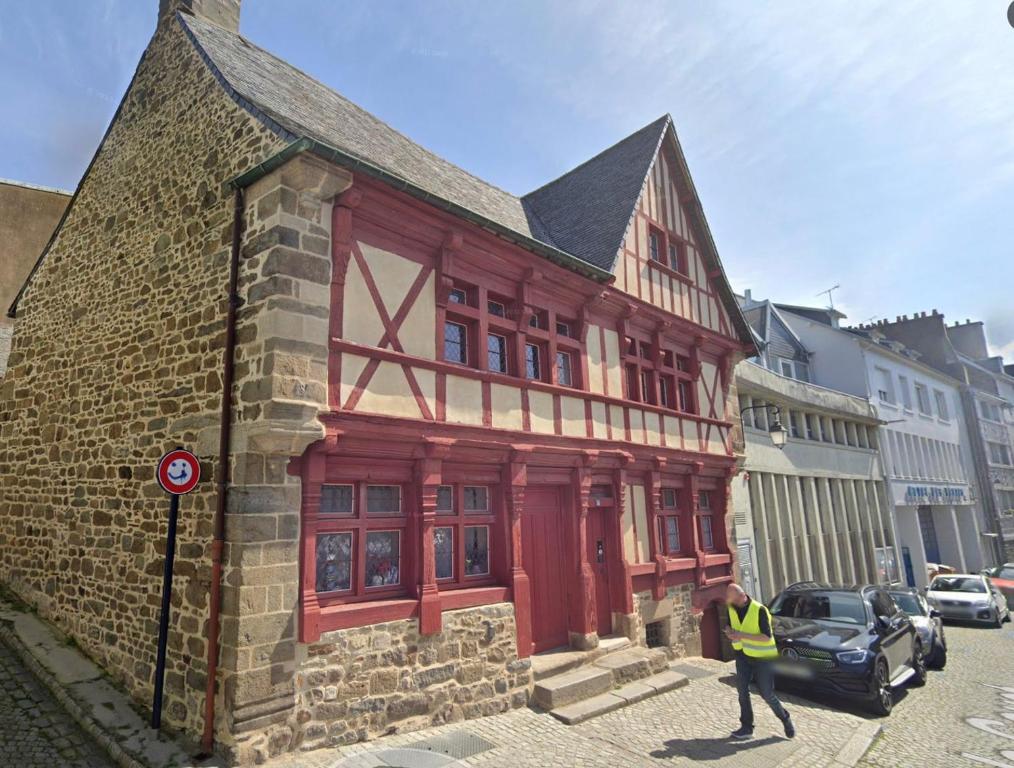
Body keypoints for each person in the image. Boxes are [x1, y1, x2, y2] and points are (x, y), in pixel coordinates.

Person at [724, 583, 795, 741]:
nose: (730, 602)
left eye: (733, 599)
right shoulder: (731, 607)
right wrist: (729, 632)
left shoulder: (759, 609)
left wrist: (741, 635)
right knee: (742, 691)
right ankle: (747, 727)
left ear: (742, 597)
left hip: (763, 658)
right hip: (742, 655)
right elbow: (729, 625)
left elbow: (766, 637)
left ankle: (785, 719)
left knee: (767, 694)